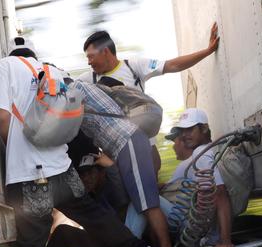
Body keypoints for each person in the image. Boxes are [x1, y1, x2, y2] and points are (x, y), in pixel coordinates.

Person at [0, 37, 162, 247]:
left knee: (31, 243)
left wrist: (12, 150)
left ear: (11, 54)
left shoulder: (6, 66)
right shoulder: (52, 71)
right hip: (60, 167)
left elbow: (3, 117)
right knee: (92, 214)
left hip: (30, 174)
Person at [69, 79, 178, 247]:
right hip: (123, 147)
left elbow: (65, 121)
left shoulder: (75, 88)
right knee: (139, 204)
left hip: (127, 142)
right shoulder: (86, 90)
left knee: (147, 204)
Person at [79, 24, 220, 174]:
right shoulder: (88, 80)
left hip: (143, 140)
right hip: (116, 146)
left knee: (151, 174)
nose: (88, 62)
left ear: (105, 51)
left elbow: (172, 65)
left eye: (91, 56)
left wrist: (208, 51)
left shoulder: (133, 66)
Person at [126, 108, 234, 247]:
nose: (184, 135)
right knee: (145, 199)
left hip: (190, 228)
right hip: (192, 223)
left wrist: (225, 240)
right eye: (183, 130)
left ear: (204, 128)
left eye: (190, 129)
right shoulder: (205, 153)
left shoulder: (200, 154)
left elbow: (220, 196)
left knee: (141, 200)